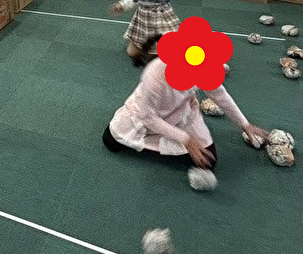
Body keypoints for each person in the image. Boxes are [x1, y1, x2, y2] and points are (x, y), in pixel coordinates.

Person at [103, 36, 268, 170]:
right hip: (147, 115)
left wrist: (245, 124)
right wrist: (186, 140)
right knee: (111, 142)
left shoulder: (203, 64)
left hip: (182, 112)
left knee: (208, 161)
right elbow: (146, 116)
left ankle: (169, 138)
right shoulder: (154, 75)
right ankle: (163, 138)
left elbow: (219, 94)